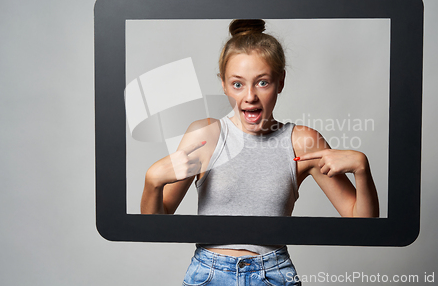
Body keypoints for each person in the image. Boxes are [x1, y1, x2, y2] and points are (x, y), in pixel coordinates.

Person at [141, 19, 379, 285]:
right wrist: (152, 183)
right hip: (208, 274)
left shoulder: (301, 141)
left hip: (273, 274)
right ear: (223, 84)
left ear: (281, 81)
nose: (250, 96)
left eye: (262, 82)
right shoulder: (205, 136)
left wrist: (361, 169)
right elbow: (155, 230)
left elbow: (365, 227)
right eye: (238, 84)